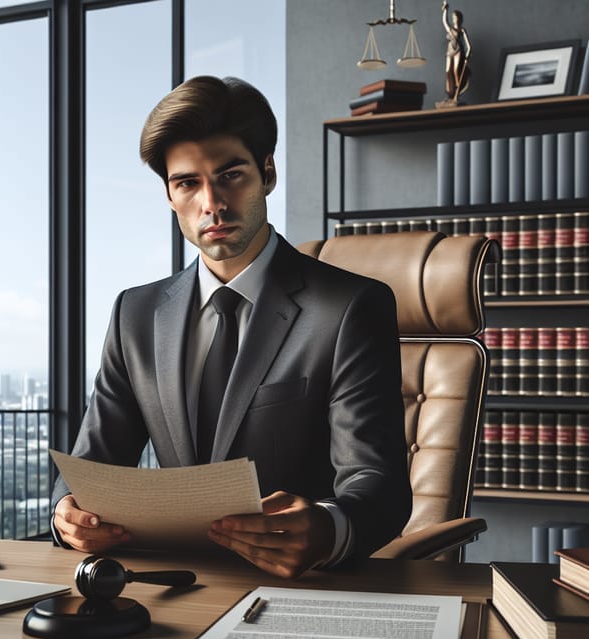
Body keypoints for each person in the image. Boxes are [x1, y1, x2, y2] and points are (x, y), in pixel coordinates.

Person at [51, 76, 411, 578]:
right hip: (164, 589)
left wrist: (329, 530)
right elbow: (91, 467)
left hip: (299, 590)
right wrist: (68, 512)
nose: (212, 204)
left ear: (268, 173)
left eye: (230, 175)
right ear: (169, 195)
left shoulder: (351, 307)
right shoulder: (134, 314)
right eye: (188, 183)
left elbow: (378, 484)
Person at [442, 1, 472, 101]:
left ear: (460, 19)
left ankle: (457, 89)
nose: (454, 19)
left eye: (456, 17)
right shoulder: (450, 29)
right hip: (450, 51)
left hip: (458, 51)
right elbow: (445, 22)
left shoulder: (462, 30)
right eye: (453, 17)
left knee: (456, 70)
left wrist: (468, 54)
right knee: (447, 71)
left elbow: (468, 45)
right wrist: (445, 10)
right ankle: (449, 91)